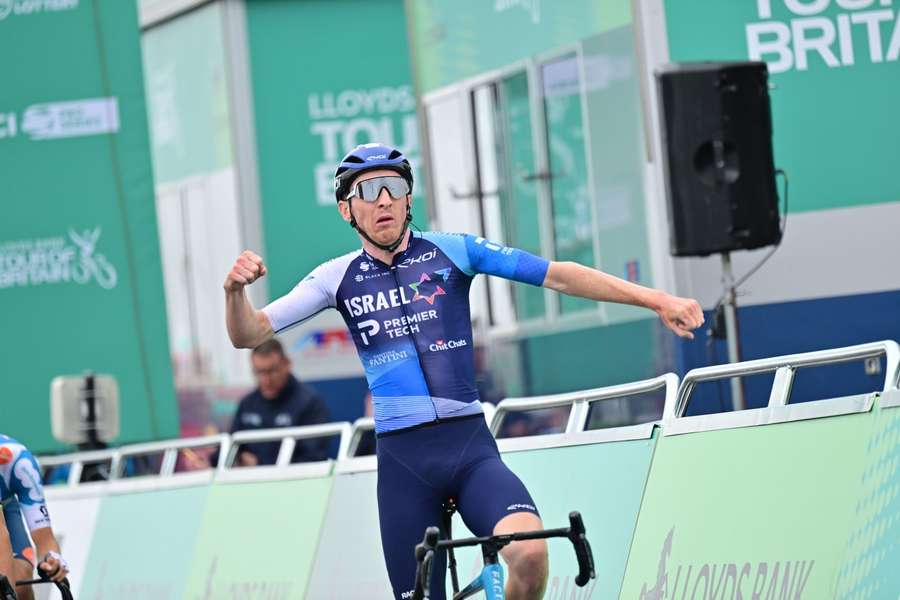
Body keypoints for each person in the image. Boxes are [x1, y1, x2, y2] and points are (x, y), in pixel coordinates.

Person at [223, 143, 704, 599]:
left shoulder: (453, 251)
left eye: (394, 185)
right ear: (348, 211)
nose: (384, 199)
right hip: (404, 462)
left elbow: (558, 274)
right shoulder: (335, 277)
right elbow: (251, 333)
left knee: (532, 555)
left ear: (410, 197)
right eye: (368, 191)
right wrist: (234, 294)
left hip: (470, 449)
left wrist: (657, 299)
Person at [229, 339, 331, 466]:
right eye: (259, 372)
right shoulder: (247, 404)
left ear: (287, 364)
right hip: (250, 482)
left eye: (272, 371)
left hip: (295, 483)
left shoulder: (310, 403)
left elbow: (313, 458)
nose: (266, 380)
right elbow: (230, 448)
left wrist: (260, 464)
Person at [0, 435, 69, 600]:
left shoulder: (18, 461)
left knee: (19, 584)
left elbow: (45, 541)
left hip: (6, 508)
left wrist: (52, 559)